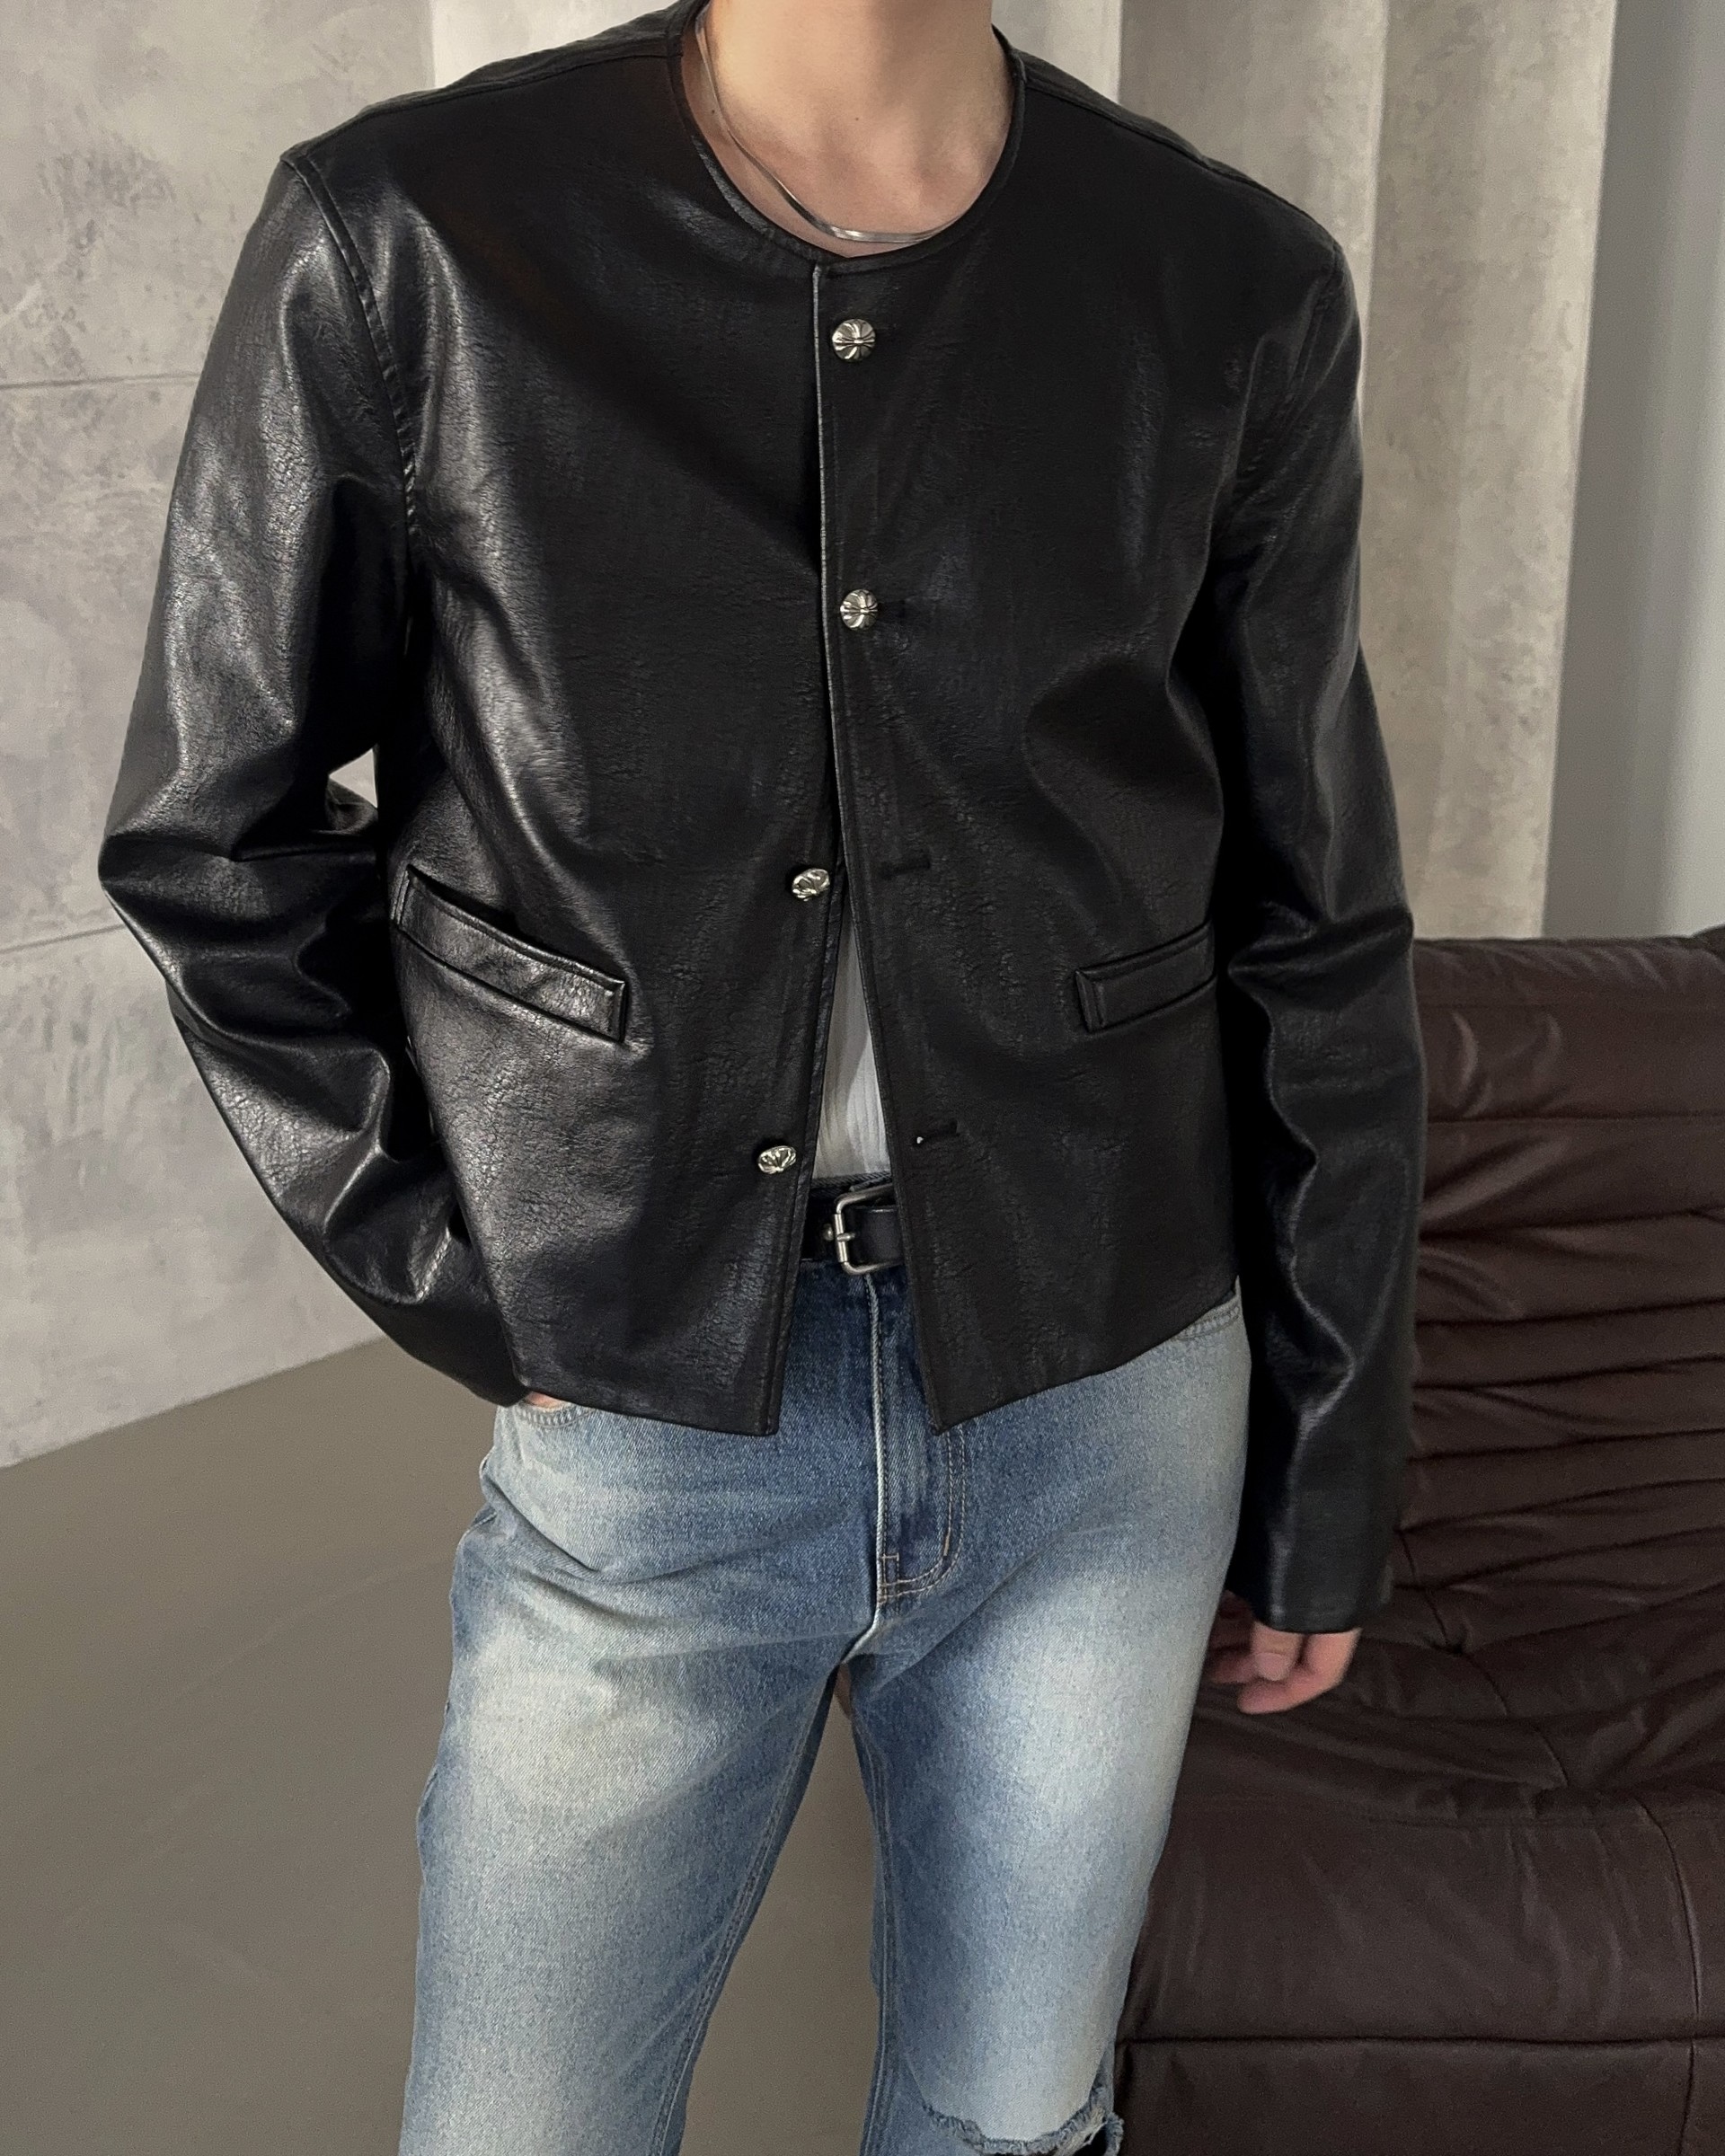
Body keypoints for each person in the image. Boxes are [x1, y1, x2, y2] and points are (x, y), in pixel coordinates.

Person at [97, 0, 1429, 2148]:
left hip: (1106, 1400)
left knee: (1008, 2121)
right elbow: (213, 839)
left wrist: (1332, 1462)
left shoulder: (1225, 282)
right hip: (647, 1409)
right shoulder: (415, 237)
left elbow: (1316, 913)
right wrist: (474, 1279)